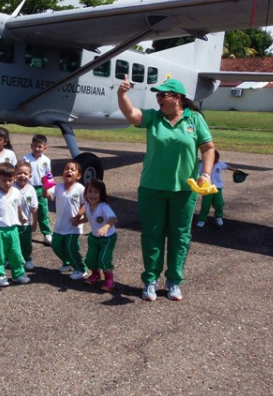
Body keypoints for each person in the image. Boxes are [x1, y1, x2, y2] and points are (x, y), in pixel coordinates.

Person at [117, 75, 215, 302]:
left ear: (178, 98)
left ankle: (174, 281)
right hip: (152, 188)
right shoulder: (153, 118)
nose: (158, 98)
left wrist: (206, 174)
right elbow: (132, 114)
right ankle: (150, 280)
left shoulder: (195, 120)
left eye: (163, 94)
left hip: (184, 190)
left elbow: (208, 148)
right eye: (157, 95)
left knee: (180, 237)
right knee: (152, 235)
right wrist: (122, 95)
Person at [43, 161, 88, 279]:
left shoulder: (80, 188)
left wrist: (78, 216)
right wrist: (45, 187)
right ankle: (68, 262)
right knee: (56, 245)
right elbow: (46, 195)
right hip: (60, 225)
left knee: (70, 247)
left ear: (78, 176)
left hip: (74, 225)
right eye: (66, 169)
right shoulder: (58, 187)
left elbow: (85, 204)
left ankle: (80, 269)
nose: (69, 171)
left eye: (73, 170)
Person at [80, 179, 118, 292]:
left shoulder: (104, 207)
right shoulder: (87, 206)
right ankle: (95, 274)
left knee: (103, 258)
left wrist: (106, 227)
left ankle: (109, 279)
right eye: (90, 191)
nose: (92, 195)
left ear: (101, 194)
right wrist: (79, 221)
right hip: (94, 237)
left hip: (107, 238)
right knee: (91, 257)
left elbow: (113, 218)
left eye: (96, 192)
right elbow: (89, 218)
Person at [20, 134, 53, 245]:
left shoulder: (47, 160)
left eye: (39, 146)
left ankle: (47, 233)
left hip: (41, 189)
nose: (37, 149)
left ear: (45, 148)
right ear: (31, 146)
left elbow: (49, 174)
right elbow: (18, 171)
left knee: (43, 211)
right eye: (34, 146)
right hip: (28, 188)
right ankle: (25, 232)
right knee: (26, 210)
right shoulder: (26, 159)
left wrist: (49, 188)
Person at [196, 150, 237, 227]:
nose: (215, 161)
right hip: (207, 188)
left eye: (216, 159)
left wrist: (235, 170)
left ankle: (218, 216)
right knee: (205, 205)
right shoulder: (202, 165)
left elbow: (227, 166)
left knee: (219, 204)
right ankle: (202, 219)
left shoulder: (219, 163)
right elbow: (198, 174)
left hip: (218, 188)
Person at [13, 161, 39, 271]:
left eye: (25, 173)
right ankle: (11, 259)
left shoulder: (31, 190)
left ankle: (27, 259)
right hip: (12, 223)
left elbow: (34, 208)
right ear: (14, 175)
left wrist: (35, 222)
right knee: (12, 244)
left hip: (25, 223)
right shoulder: (11, 187)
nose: (22, 176)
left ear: (30, 176)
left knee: (26, 243)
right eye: (19, 173)